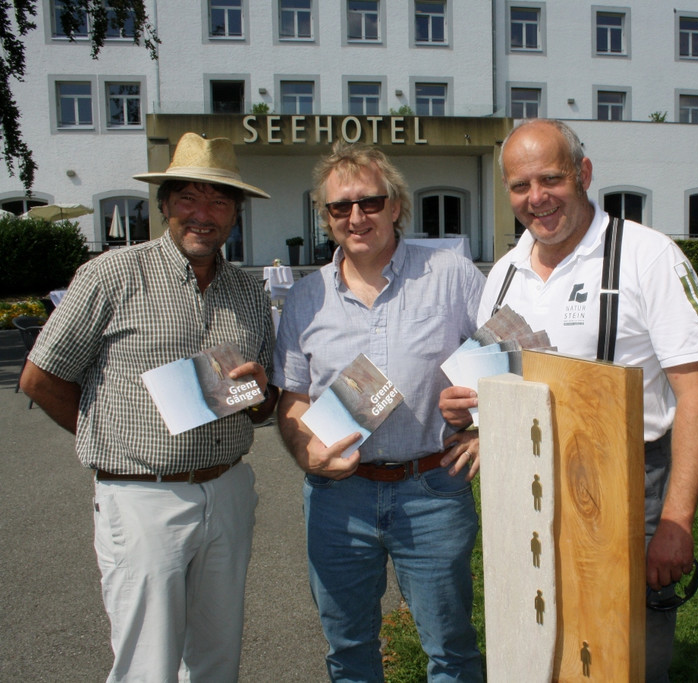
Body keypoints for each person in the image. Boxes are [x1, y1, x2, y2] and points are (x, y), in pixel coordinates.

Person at [440, 119, 698, 681]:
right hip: (527, 484)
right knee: (540, 644)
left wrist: (676, 521)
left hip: (629, 485)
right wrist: (472, 420)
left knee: (625, 655)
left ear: (583, 174)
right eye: (520, 186)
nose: (536, 199)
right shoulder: (502, 275)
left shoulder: (648, 257)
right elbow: (512, 389)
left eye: (551, 179)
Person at [20, 132, 277, 681]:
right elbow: (40, 379)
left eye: (219, 200)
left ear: (236, 214)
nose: (202, 214)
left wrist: (259, 395)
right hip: (141, 496)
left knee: (216, 659)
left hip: (228, 488)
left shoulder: (250, 292)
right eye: (188, 197)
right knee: (147, 665)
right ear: (163, 205)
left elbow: (263, 400)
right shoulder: (110, 276)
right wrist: (109, 438)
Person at [274, 142, 485, 681]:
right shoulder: (304, 299)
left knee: (451, 648)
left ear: (395, 206)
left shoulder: (451, 275)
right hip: (337, 500)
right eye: (339, 207)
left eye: (369, 202)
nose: (355, 216)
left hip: (432, 489)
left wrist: (487, 431)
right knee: (347, 648)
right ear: (324, 219)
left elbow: (506, 357)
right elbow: (293, 396)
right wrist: (306, 451)